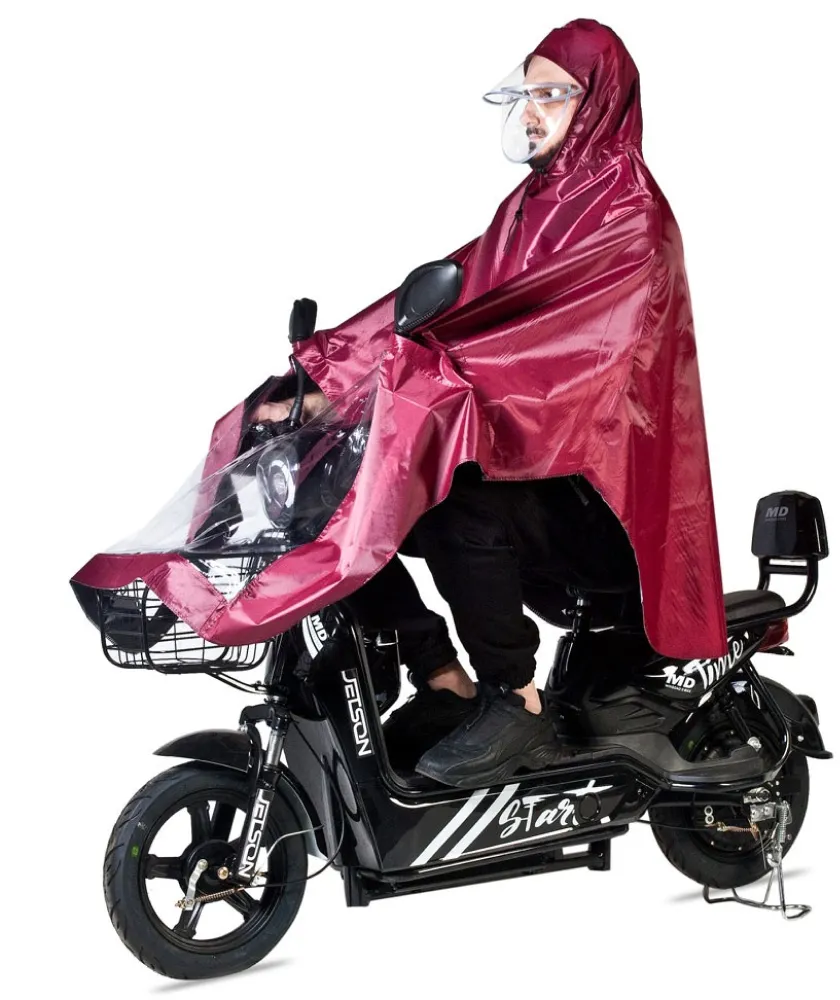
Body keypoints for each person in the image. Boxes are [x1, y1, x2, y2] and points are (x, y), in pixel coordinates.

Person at [254, 21, 708, 788]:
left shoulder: (626, 219)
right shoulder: (536, 208)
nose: (531, 112)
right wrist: (328, 376)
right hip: (541, 474)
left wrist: (389, 382)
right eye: (526, 94)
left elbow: (540, 359)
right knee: (344, 488)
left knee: (454, 500)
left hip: (606, 503)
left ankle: (517, 703)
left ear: (600, 101)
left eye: (552, 94)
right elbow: (451, 298)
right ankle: (441, 677)